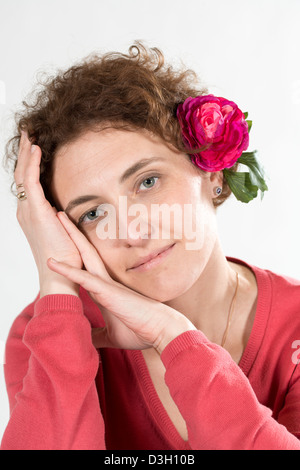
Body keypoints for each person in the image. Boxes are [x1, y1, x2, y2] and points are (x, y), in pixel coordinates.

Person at [1, 42, 300, 450]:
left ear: (210, 171)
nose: (133, 232)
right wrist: (57, 281)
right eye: (92, 214)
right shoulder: (46, 335)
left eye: (147, 182)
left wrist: (172, 336)